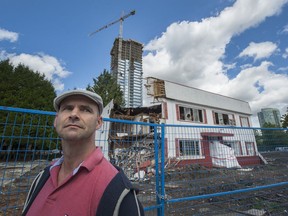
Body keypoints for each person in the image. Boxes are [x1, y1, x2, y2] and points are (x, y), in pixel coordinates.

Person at [22, 89, 144, 216]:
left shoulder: (120, 193)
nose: (74, 114)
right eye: (67, 108)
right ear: (56, 120)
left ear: (98, 122)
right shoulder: (41, 179)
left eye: (85, 109)